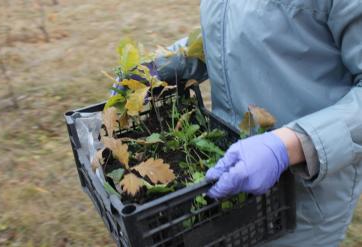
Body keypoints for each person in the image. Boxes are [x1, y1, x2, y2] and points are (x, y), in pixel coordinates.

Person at [115, 1, 362, 246]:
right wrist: (168, 62)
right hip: (228, 169)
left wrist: (289, 146)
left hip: (303, 201)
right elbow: (235, 31)